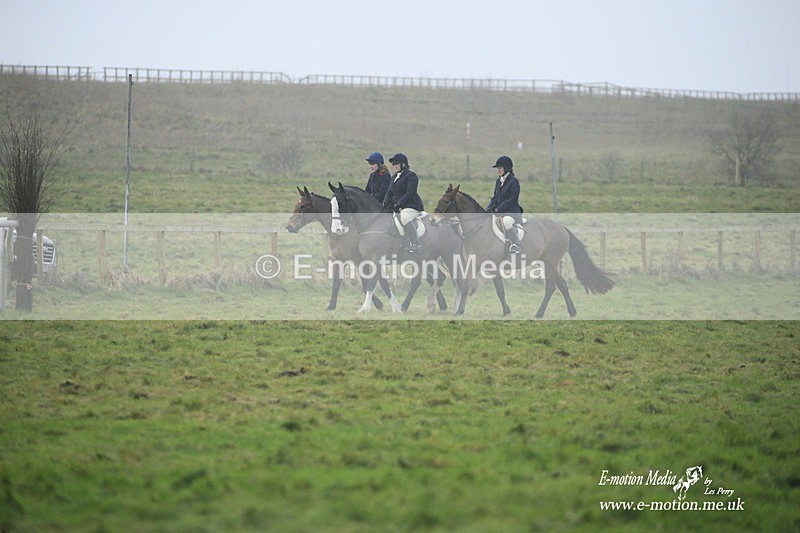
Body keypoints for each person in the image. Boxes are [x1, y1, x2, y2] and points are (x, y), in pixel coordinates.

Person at [382, 153, 424, 253]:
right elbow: (389, 192)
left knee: (404, 218)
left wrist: (399, 204)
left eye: (397, 164)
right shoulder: (394, 177)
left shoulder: (411, 176)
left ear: (403, 164)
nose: (395, 166)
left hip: (412, 206)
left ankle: (416, 244)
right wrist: (384, 204)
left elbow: (410, 192)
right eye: (394, 164)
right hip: (399, 206)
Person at [485, 155, 523, 253]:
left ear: (506, 168)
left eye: (500, 168)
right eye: (498, 168)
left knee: (506, 222)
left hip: (511, 212)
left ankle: (516, 245)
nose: (498, 170)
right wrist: (488, 209)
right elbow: (495, 197)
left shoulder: (514, 181)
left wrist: (498, 208)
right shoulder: (499, 181)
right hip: (500, 211)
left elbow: (512, 199)